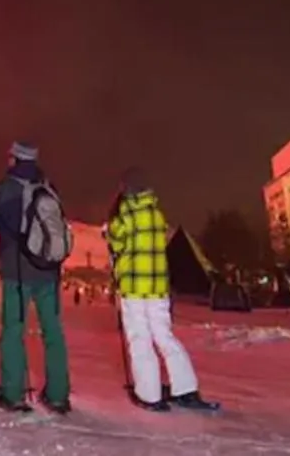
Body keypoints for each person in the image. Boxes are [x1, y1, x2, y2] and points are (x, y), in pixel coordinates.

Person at [105, 166, 218, 412]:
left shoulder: (124, 216)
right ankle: (185, 388)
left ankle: (149, 393)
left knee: (140, 339)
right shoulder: (156, 214)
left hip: (133, 286)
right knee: (164, 336)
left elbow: (116, 244)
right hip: (157, 288)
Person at [0, 141, 72, 413]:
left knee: (13, 331)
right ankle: (58, 395)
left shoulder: (6, 187)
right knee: (53, 332)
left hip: (17, 272)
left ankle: (13, 393)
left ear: (15, 158)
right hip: (49, 271)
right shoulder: (49, 187)